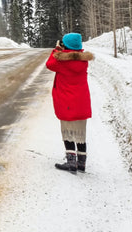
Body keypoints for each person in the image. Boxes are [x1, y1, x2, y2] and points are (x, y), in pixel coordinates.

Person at [45, 32, 94, 174]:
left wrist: (56, 50)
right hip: (81, 103)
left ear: (65, 45)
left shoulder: (62, 61)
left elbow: (49, 64)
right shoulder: (83, 61)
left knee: (68, 132)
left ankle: (71, 163)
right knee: (80, 133)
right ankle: (81, 164)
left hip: (66, 102)